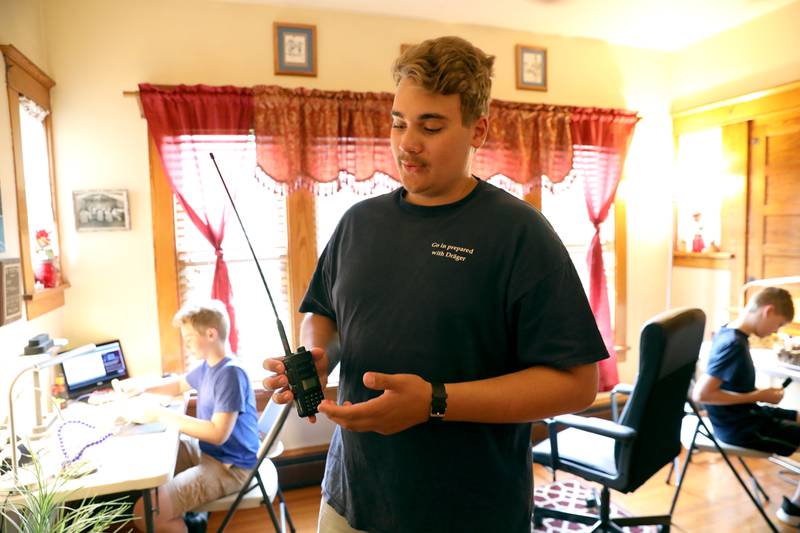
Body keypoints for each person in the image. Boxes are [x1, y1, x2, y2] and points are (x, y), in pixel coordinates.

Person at [264, 36, 608, 533]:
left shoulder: (519, 233)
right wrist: (318, 356)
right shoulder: (359, 222)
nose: (408, 143)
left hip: (468, 508)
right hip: (351, 494)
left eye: (431, 126)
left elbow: (577, 384)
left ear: (479, 130)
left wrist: (435, 401)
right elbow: (325, 312)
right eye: (399, 123)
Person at [128, 300, 259, 533]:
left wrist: (163, 415)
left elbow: (218, 433)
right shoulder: (209, 366)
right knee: (154, 461)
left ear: (211, 334)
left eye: (188, 338)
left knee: (146, 512)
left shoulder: (230, 374)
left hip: (231, 467)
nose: (185, 344)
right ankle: (191, 519)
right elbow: (178, 384)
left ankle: (180, 521)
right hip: (211, 453)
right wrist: (142, 389)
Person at [692, 287, 796, 525]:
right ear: (768, 311)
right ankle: (794, 511)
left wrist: (760, 396)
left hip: (745, 415)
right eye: (778, 324)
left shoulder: (728, 332)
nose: (775, 331)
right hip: (740, 427)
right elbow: (702, 394)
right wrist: (759, 395)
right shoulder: (734, 344)